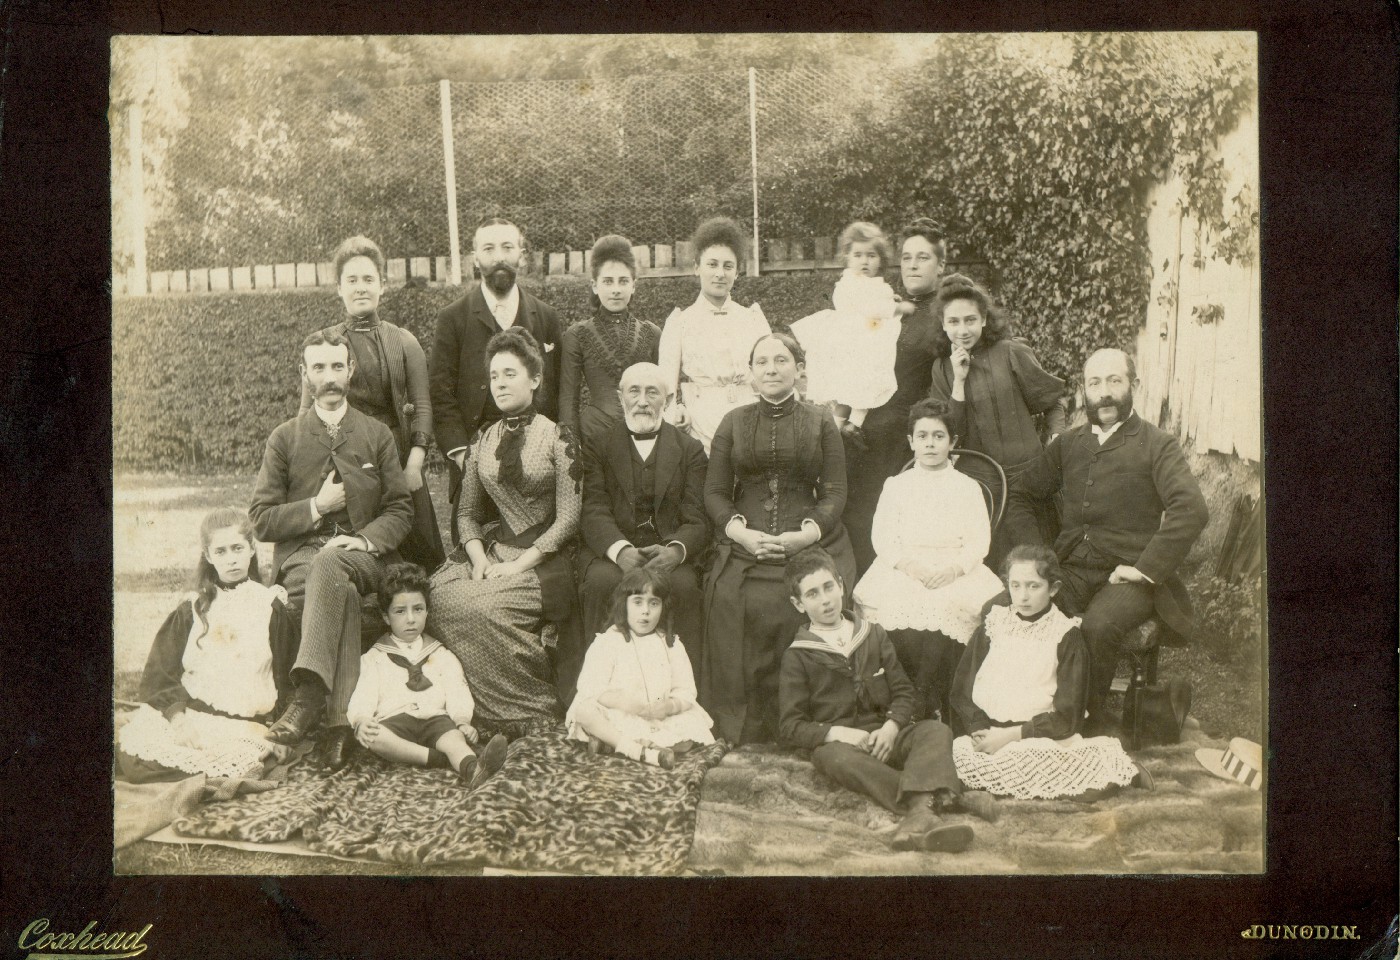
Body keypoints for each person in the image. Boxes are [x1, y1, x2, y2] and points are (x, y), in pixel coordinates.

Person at [1005, 347, 1209, 734]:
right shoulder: (1068, 443)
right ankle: (1027, 711)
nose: (1104, 392)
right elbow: (1022, 494)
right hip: (1071, 568)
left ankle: (1089, 724)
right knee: (1009, 607)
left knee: (1097, 627)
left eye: (1114, 381)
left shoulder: (1157, 444)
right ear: (1084, 390)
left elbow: (1191, 508)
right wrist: (1037, 560)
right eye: (1095, 382)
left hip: (1128, 575)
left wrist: (1145, 569)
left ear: (1133, 385)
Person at [251, 330, 414, 769]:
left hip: (368, 556)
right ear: (303, 374)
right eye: (318, 368)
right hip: (305, 558)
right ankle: (341, 724)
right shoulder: (284, 439)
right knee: (331, 579)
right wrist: (316, 507)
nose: (329, 377)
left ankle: (307, 699)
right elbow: (261, 519)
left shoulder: (376, 434)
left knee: (335, 563)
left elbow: (401, 509)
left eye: (337, 367)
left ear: (351, 371)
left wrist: (363, 539)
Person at [778, 548, 993, 853]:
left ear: (841, 585)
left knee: (935, 730)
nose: (825, 599)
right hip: (846, 744)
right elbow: (789, 726)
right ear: (798, 603)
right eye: (812, 594)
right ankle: (935, 802)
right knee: (831, 758)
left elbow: (904, 692)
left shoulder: (872, 634)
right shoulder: (797, 655)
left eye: (828, 587)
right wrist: (838, 733)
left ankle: (921, 812)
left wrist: (892, 727)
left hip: (887, 736)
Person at [701, 331, 857, 745]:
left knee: (807, 600)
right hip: (744, 542)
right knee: (735, 603)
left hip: (808, 538)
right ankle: (748, 725)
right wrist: (741, 533)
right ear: (751, 374)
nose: (771, 369)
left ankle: (807, 721)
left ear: (799, 370)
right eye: (762, 362)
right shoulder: (732, 421)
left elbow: (836, 491)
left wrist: (803, 536)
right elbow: (714, 492)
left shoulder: (821, 419)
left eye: (781, 361)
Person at [427, 327, 582, 740]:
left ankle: (528, 709)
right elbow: (468, 514)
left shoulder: (559, 436)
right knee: (436, 597)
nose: (500, 384)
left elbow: (568, 520)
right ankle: (477, 709)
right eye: (494, 376)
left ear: (534, 379)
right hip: (493, 552)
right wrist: (479, 560)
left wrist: (518, 566)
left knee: (479, 610)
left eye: (510, 374)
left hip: (545, 561)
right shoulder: (483, 439)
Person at [950, 545, 1149, 800]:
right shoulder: (993, 625)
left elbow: (1068, 716)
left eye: (1034, 586)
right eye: (1015, 586)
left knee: (1064, 773)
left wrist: (1012, 736)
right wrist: (978, 725)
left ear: (1053, 589)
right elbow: (961, 689)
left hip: (1037, 737)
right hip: (988, 734)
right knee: (953, 761)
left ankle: (1114, 772)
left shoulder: (1066, 635)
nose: (1023, 597)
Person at [853, 399, 1004, 728]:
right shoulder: (896, 485)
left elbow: (979, 541)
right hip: (907, 566)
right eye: (922, 436)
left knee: (947, 605)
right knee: (897, 603)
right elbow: (882, 536)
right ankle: (908, 696)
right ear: (910, 441)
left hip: (954, 568)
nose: (930, 444)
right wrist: (910, 567)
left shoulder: (967, 487)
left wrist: (953, 571)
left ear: (953, 442)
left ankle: (929, 697)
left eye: (939, 436)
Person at [117, 508, 297, 780]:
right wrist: (178, 721)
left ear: (251, 549)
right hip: (191, 716)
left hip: (243, 726)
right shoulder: (193, 608)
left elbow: (287, 677)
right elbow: (161, 673)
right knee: (136, 758)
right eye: (221, 551)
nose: (231, 559)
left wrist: (281, 733)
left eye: (237, 548)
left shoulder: (270, 606)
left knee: (237, 767)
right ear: (208, 556)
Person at [299, 235, 443, 570]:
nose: (361, 287)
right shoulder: (325, 346)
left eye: (369, 279)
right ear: (338, 288)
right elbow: (306, 414)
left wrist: (414, 466)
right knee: (351, 554)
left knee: (418, 556)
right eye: (352, 280)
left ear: (383, 285)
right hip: (342, 459)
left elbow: (422, 407)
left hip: (396, 458)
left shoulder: (403, 341)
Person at [429, 217, 563, 539]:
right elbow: (440, 394)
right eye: (489, 249)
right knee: (474, 546)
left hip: (536, 460)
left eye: (507, 247)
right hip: (472, 456)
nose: (499, 256)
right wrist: (464, 457)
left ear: (521, 255)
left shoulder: (545, 317)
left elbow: (556, 391)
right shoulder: (453, 319)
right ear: (475, 259)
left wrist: (544, 457)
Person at [578, 362, 709, 681]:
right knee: (600, 583)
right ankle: (599, 689)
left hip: (668, 553)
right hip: (615, 551)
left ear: (666, 398)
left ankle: (682, 691)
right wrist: (620, 551)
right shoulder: (598, 444)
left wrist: (676, 552)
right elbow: (593, 508)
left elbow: (697, 517)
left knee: (683, 586)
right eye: (633, 391)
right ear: (620, 396)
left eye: (652, 392)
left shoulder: (690, 450)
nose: (642, 400)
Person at [927, 273, 1067, 569]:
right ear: (943, 324)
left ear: (984, 320)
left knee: (1036, 558)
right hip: (980, 483)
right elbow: (951, 435)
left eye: (970, 320)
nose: (962, 330)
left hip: (1027, 476)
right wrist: (959, 382)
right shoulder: (942, 369)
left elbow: (1052, 401)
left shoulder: (1011, 353)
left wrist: (1056, 438)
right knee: (987, 563)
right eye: (953, 322)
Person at [346, 562, 508, 789]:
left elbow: (456, 689)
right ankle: (437, 758)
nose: (410, 619)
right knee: (374, 736)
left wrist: (462, 720)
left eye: (418, 609)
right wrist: (361, 719)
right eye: (400, 611)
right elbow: (364, 693)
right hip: (395, 722)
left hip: (435, 721)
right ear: (385, 616)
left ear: (427, 611)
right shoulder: (375, 657)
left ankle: (472, 769)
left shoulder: (440, 653)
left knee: (454, 739)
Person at [848, 217, 948, 574]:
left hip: (902, 440)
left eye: (922, 258)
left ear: (941, 265)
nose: (912, 265)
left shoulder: (945, 316)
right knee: (855, 522)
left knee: (886, 528)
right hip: (863, 433)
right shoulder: (891, 306)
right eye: (906, 258)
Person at [566, 568, 716, 768]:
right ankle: (636, 750)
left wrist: (669, 706)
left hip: (658, 717)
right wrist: (621, 701)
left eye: (654, 603)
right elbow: (590, 686)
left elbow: (686, 690)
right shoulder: (609, 641)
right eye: (637, 602)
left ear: (663, 607)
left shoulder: (671, 644)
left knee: (689, 736)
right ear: (624, 605)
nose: (645, 611)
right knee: (584, 711)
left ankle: (616, 744)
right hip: (619, 712)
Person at [658, 216, 770, 454]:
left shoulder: (752, 318)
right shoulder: (681, 322)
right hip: (700, 423)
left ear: (737, 272)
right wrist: (677, 408)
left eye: (728, 266)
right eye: (712, 264)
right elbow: (667, 383)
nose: (720, 273)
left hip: (750, 417)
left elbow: (768, 372)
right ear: (697, 267)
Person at [791, 221, 908, 449]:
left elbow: (880, 306)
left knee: (866, 386)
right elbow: (866, 307)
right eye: (858, 255)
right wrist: (894, 308)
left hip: (870, 345)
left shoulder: (878, 284)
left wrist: (891, 302)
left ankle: (854, 425)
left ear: (880, 260)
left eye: (871, 255)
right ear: (848, 257)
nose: (865, 261)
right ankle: (834, 429)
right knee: (849, 389)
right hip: (851, 345)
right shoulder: (848, 283)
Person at [559, 235, 662, 443]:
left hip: (644, 435)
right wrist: (571, 448)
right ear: (595, 286)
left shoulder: (651, 333)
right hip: (593, 436)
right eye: (607, 281)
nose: (616, 289)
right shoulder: (577, 335)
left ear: (633, 285)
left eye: (623, 281)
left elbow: (664, 392)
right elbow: (569, 400)